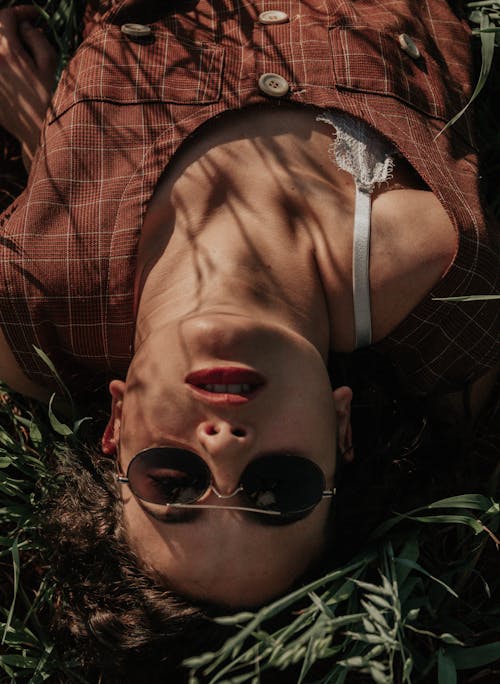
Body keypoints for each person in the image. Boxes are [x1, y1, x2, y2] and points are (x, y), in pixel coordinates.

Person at [0, 0, 498, 677]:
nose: (226, 447)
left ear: (115, 427)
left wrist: (51, 153)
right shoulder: (445, 281)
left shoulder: (34, 312)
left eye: (173, 484)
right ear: (341, 430)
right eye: (276, 487)